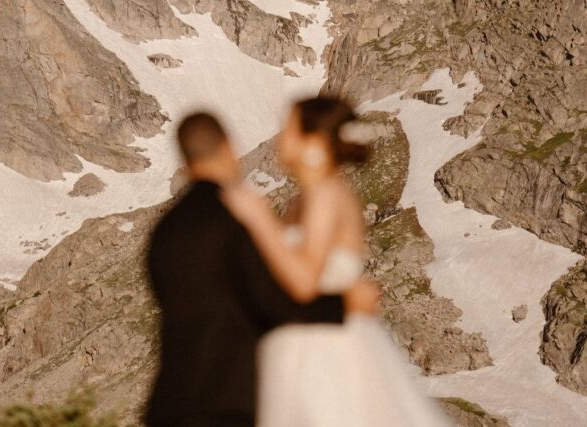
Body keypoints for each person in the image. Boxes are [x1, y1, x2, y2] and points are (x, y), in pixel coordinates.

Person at [221, 96, 450, 427]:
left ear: (314, 142)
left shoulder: (326, 195)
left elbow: (305, 279)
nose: (281, 137)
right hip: (296, 335)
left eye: (290, 129)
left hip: (323, 345)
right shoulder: (302, 201)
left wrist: (259, 222)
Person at [144, 112, 349, 427]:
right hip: (229, 403)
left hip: (170, 405)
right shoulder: (235, 217)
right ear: (228, 147)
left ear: (186, 158)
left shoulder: (163, 231)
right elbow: (271, 301)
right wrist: (343, 305)